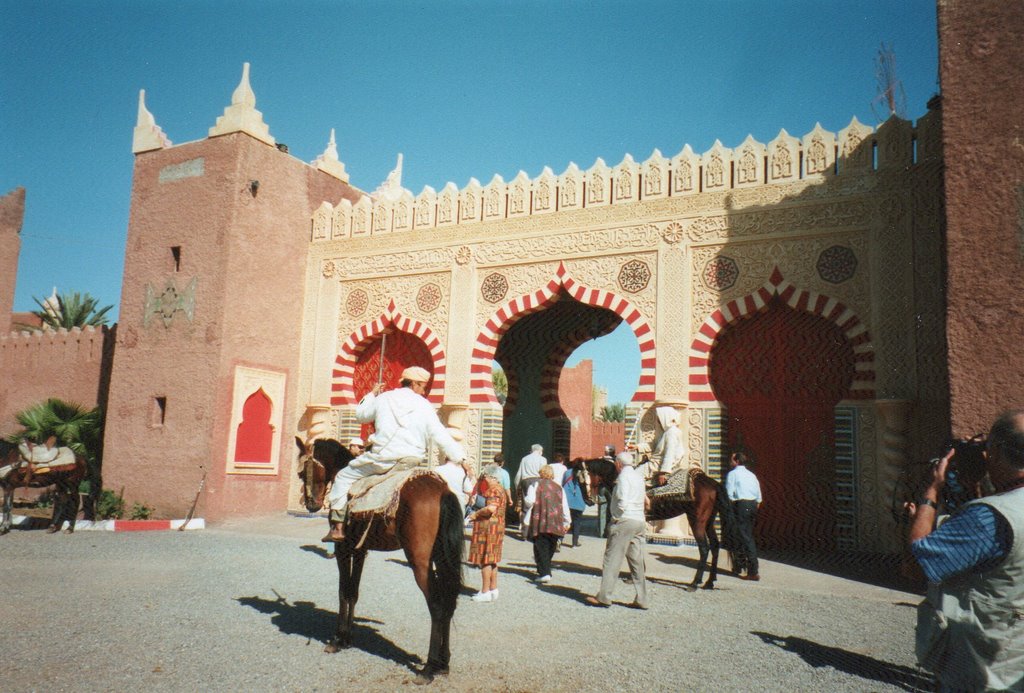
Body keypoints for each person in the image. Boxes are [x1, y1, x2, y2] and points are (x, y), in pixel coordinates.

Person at [906, 410, 1024, 691]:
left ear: (994, 452)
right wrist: (974, 488)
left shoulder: (988, 518)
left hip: (982, 671)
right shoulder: (994, 515)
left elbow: (915, 565)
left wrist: (931, 492)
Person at [323, 366, 465, 542]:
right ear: (414, 384)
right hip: (410, 462)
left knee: (343, 477)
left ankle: (338, 527)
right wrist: (460, 458)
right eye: (422, 386)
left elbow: (361, 415)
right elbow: (440, 434)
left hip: (382, 460)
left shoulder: (383, 398)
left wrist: (371, 395)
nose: (424, 390)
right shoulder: (425, 405)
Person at [586, 451, 650, 609]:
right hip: (639, 521)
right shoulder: (638, 477)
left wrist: (616, 518)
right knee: (636, 562)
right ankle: (642, 599)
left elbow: (621, 500)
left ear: (619, 464)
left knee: (612, 560)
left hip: (624, 521)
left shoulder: (622, 478)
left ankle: (604, 596)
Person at [523, 465, 571, 583]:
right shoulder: (559, 487)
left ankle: (544, 572)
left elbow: (530, 501)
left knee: (540, 546)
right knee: (551, 546)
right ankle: (545, 569)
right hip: (556, 520)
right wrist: (567, 521)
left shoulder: (535, 485)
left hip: (540, 520)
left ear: (541, 474)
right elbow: (564, 505)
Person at [467, 468, 508, 602]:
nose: (486, 479)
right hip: (498, 526)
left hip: (488, 528)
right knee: (493, 560)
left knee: (485, 560)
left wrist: (475, 514)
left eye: (487, 477)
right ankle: (493, 588)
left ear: (494, 478)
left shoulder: (493, 490)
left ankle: (485, 591)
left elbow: (491, 508)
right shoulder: (501, 489)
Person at [726, 451, 762, 581]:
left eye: (732, 459)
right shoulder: (751, 475)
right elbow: (759, 496)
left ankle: (753, 571)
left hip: (740, 505)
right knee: (744, 535)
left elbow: (729, 494)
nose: (730, 462)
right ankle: (739, 565)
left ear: (736, 461)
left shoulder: (733, 474)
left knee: (744, 537)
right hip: (752, 505)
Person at [433, 431, 476, 512]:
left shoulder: (437, 470)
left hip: (440, 505)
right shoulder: (461, 473)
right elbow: (469, 490)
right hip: (458, 506)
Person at [562, 458, 587, 548]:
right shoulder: (584, 474)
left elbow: (563, 483)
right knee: (577, 522)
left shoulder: (567, 472)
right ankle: (575, 542)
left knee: (564, 521)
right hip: (579, 501)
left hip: (566, 500)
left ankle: (559, 540)